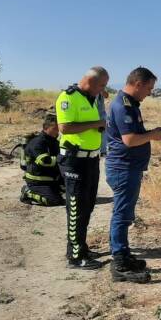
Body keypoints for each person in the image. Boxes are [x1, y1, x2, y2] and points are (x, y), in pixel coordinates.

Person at [105, 67, 161, 283]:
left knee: (124, 215)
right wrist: (153, 135)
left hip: (128, 167)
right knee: (122, 216)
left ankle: (123, 254)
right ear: (138, 84)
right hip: (124, 168)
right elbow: (130, 140)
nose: (150, 93)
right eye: (149, 88)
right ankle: (120, 263)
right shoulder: (123, 106)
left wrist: (153, 132)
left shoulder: (130, 104)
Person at [55, 66, 109, 270]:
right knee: (76, 208)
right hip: (74, 161)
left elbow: (101, 96)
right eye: (101, 85)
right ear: (91, 82)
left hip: (91, 159)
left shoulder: (91, 97)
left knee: (88, 206)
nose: (103, 90)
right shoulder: (68, 98)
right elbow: (65, 127)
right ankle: (75, 257)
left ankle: (81, 247)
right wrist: (97, 123)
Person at [18, 111, 65, 206]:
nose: (57, 131)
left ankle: (57, 190)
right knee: (53, 201)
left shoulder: (54, 141)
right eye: (55, 128)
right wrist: (64, 159)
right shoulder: (37, 143)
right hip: (38, 181)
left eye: (58, 128)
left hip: (51, 179)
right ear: (45, 128)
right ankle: (27, 193)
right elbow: (44, 161)